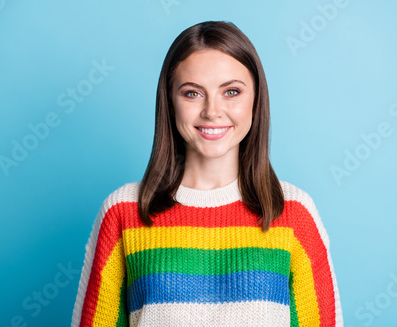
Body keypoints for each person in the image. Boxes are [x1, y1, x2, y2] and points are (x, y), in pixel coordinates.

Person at [71, 20, 343, 326]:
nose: (212, 111)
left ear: (256, 100)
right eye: (192, 93)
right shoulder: (122, 211)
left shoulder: (294, 212)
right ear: (170, 102)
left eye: (231, 91)